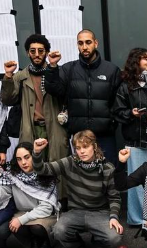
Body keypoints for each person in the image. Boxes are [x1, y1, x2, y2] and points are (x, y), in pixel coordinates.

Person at [32, 130, 123, 248]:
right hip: (76, 211)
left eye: (85, 147)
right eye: (78, 148)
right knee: (58, 231)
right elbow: (42, 170)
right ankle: (76, 245)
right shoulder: (70, 162)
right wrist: (36, 152)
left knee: (114, 238)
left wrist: (114, 217)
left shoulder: (107, 168)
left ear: (94, 147)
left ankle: (97, 239)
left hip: (100, 212)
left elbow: (114, 197)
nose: (82, 151)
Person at [44, 29, 121, 163]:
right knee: (82, 177)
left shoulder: (111, 70)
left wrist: (111, 122)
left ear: (96, 43)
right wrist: (52, 66)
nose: (84, 47)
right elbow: (54, 90)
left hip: (104, 135)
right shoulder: (69, 69)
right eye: (80, 43)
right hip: (79, 136)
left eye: (88, 42)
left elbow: (119, 100)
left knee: (107, 174)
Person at [113, 47, 147, 226]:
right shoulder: (125, 85)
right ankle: (138, 219)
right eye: (145, 59)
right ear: (135, 62)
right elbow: (117, 112)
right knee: (136, 183)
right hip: (134, 141)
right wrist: (132, 113)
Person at [0, 142, 58, 248]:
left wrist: (21, 220)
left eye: (27, 157)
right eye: (19, 159)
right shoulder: (14, 176)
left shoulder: (46, 173)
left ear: (35, 156)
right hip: (22, 212)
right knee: (13, 224)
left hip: (45, 215)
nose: (23, 162)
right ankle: (33, 241)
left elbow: (46, 208)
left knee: (36, 227)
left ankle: (46, 241)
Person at [1, 34, 67, 164]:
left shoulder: (58, 73)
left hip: (54, 127)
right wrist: (8, 76)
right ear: (27, 53)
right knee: (32, 168)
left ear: (47, 52)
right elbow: (7, 100)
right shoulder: (20, 76)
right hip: (30, 128)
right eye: (33, 51)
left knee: (56, 166)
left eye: (41, 51)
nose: (37, 54)